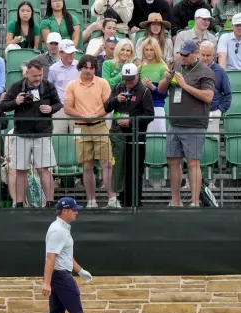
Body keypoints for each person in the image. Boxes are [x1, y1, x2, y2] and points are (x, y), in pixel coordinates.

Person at [10, 197, 97, 313]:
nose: (76, 212)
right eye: (74, 210)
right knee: (77, 312)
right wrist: (46, 282)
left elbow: (65, 255)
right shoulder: (58, 230)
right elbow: (51, 258)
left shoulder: (63, 228)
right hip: (61, 276)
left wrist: (80, 271)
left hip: (61, 274)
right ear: (65, 211)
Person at [0, 58, 62, 207]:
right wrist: (16, 102)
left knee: (44, 169)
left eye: (40, 75)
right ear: (27, 73)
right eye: (35, 76)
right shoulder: (16, 87)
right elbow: (3, 105)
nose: (38, 79)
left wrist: (52, 109)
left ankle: (50, 202)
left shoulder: (48, 86)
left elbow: (58, 103)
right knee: (21, 170)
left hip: (43, 133)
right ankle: (20, 203)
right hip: (22, 133)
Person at [161, 39, 216, 207]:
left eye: (186, 55)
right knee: (173, 161)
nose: (182, 57)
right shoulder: (176, 66)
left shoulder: (205, 71)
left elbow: (208, 96)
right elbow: (162, 90)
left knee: (193, 162)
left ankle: (194, 202)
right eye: (181, 54)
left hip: (194, 124)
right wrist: (166, 79)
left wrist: (185, 86)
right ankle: (175, 201)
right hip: (174, 123)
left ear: (195, 54)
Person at [63, 54, 118, 208]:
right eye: (85, 67)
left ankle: (112, 199)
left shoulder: (103, 83)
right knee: (87, 166)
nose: (88, 70)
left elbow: (107, 105)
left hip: (100, 125)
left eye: (91, 67)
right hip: (80, 127)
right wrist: (82, 115)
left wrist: (94, 115)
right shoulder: (71, 85)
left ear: (95, 69)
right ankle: (91, 200)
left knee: (106, 163)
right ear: (80, 67)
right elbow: (67, 108)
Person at [104, 62, 153, 208]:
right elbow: (106, 106)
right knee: (119, 169)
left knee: (135, 170)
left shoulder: (144, 91)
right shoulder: (118, 87)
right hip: (118, 136)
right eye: (126, 79)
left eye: (131, 80)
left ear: (137, 76)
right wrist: (115, 100)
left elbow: (150, 115)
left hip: (136, 137)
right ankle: (121, 200)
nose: (128, 83)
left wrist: (131, 122)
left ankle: (135, 203)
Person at [47, 39, 81, 135]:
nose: (71, 55)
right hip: (60, 108)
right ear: (61, 53)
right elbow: (50, 87)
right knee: (58, 137)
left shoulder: (80, 66)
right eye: (68, 53)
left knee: (77, 137)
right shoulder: (53, 68)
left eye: (72, 52)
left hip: (77, 107)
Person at [138, 37, 169, 132]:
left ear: (156, 51)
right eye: (146, 50)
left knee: (158, 141)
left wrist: (152, 87)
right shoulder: (140, 68)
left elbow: (163, 95)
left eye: (151, 49)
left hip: (157, 108)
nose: (149, 52)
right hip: (142, 109)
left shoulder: (162, 67)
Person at [199, 41, 230, 134]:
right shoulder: (193, 69)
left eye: (208, 55)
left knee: (212, 143)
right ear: (198, 54)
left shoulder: (220, 72)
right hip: (195, 114)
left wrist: (219, 110)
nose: (205, 58)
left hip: (212, 113)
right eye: (203, 55)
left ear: (214, 55)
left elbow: (228, 95)